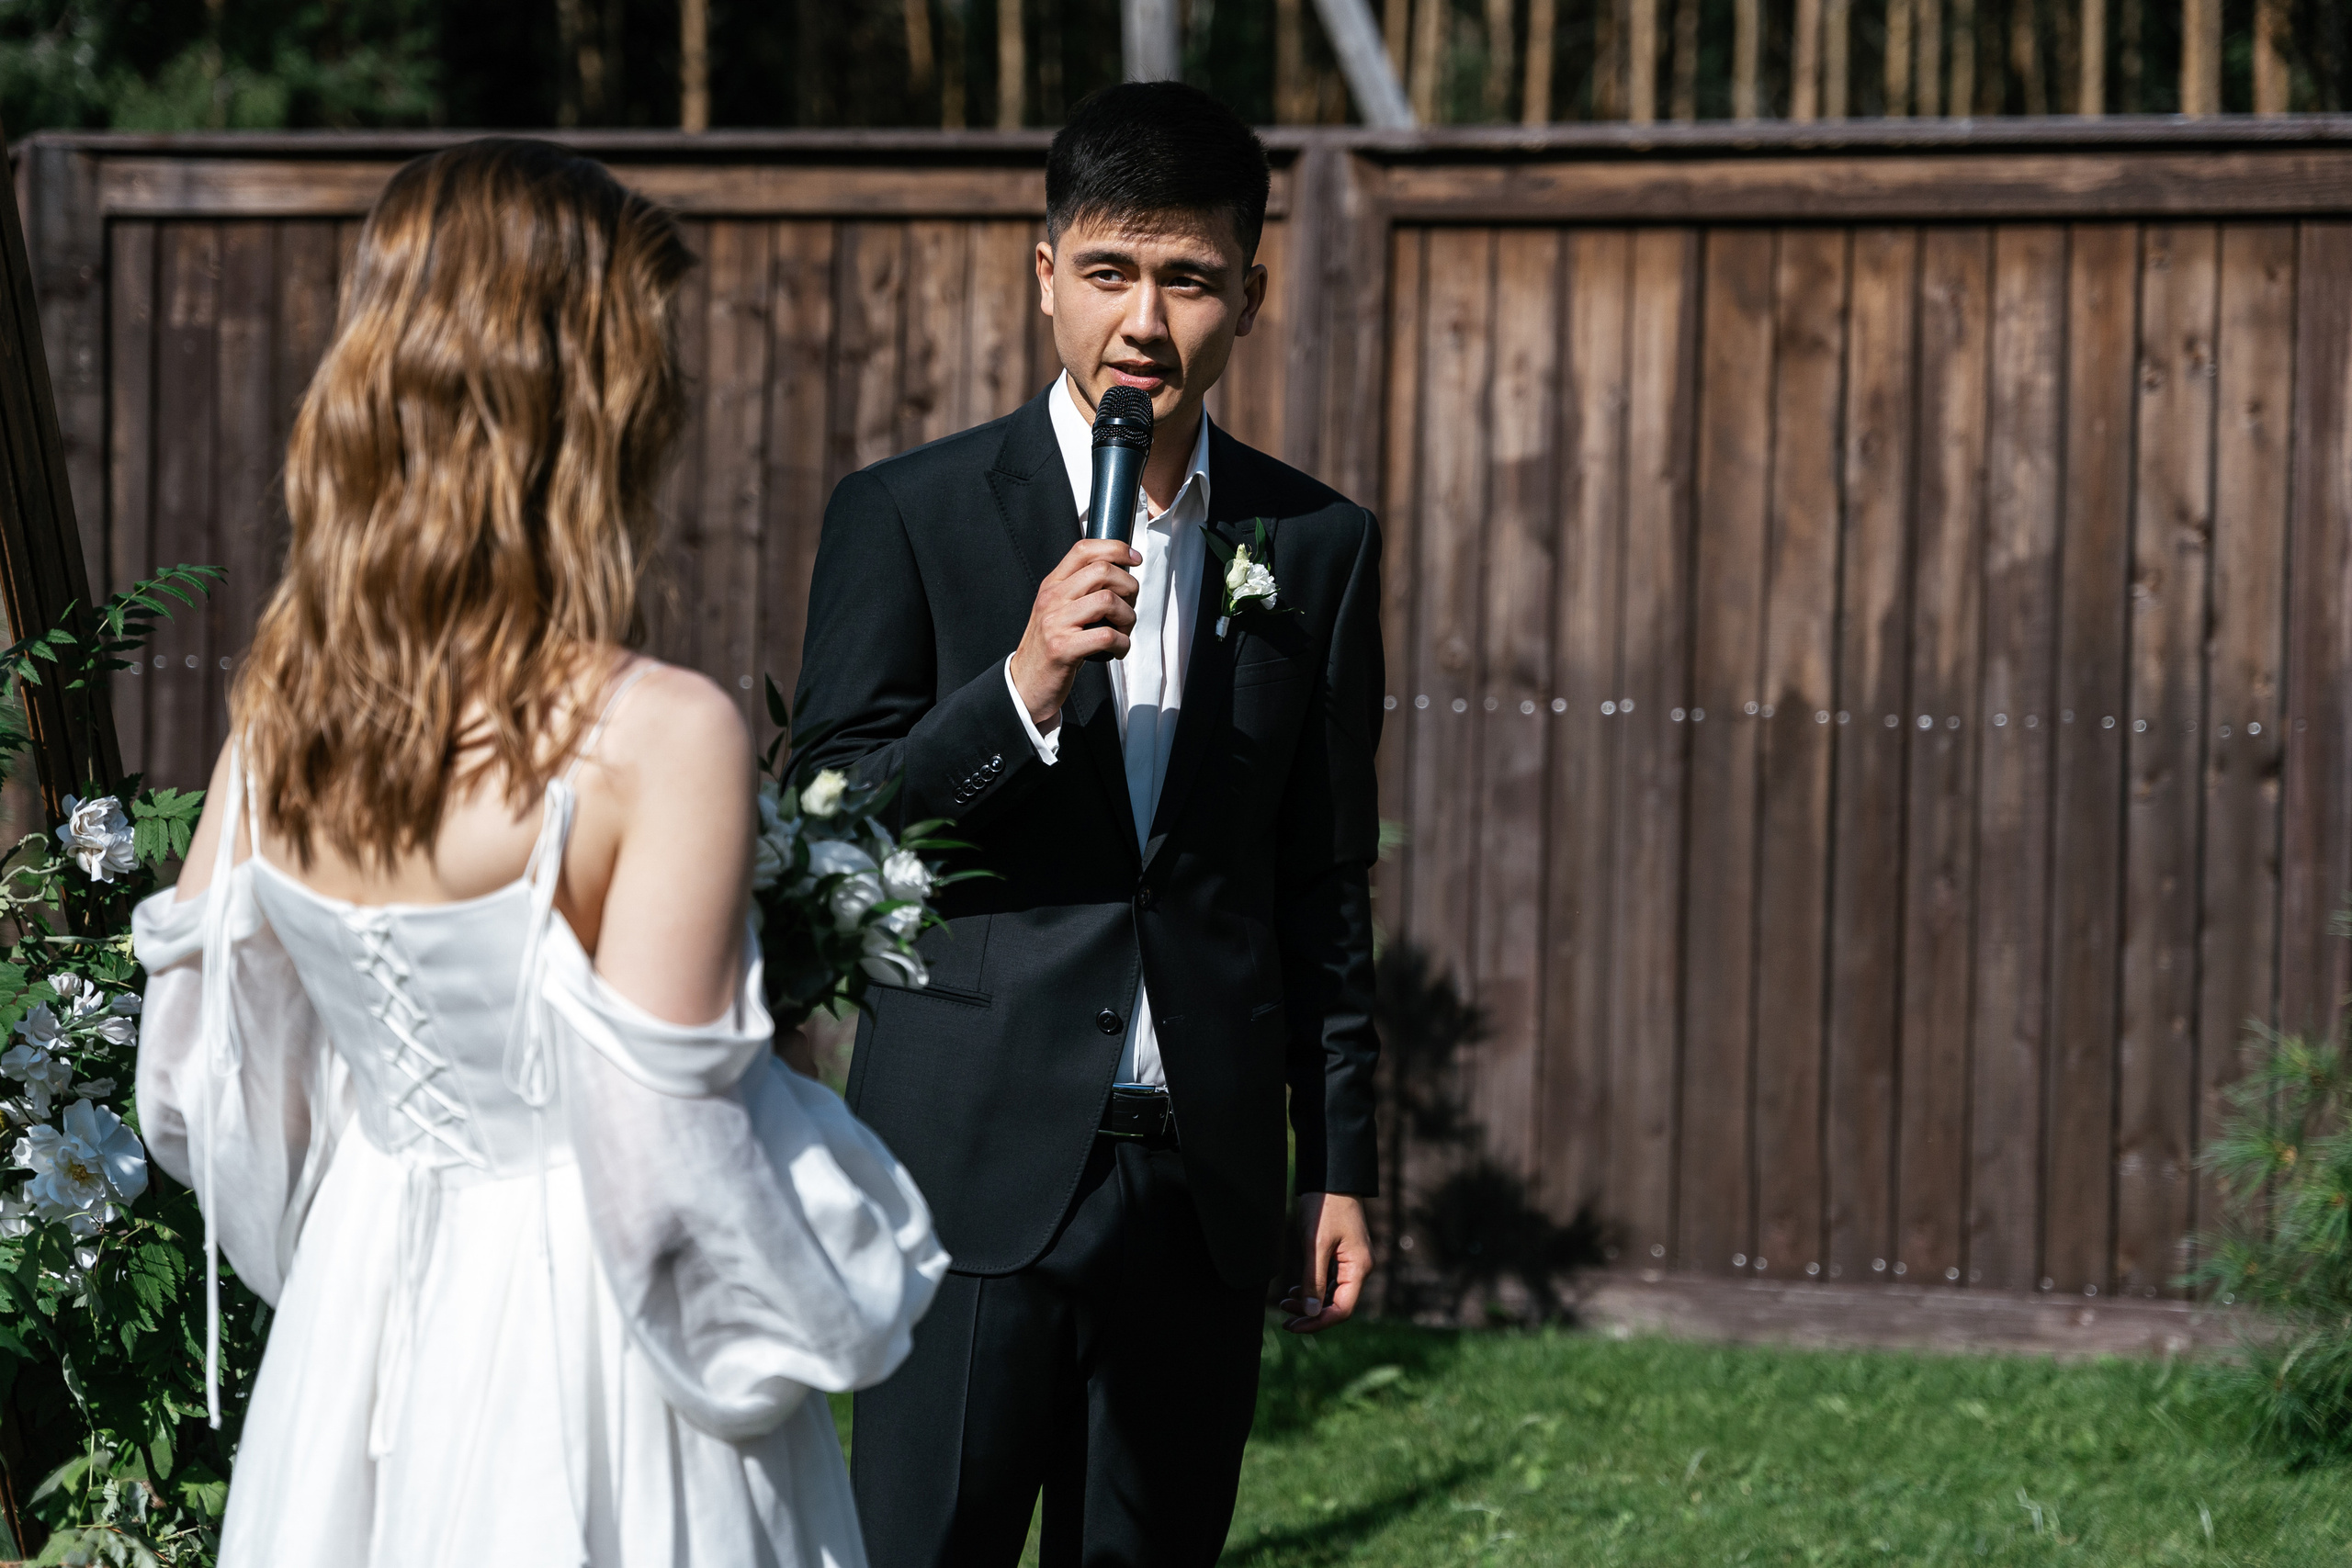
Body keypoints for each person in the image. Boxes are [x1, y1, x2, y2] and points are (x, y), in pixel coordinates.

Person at [131, 138, 947, 1567]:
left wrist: (356, 1215)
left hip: (365, 1326)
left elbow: (198, 1079)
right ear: (594, 404)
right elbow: (671, 1164)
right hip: (602, 1362)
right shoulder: (658, 734)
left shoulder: (280, 715)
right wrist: (836, 1248)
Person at [795, 83, 1385, 1567]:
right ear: (1044, 271)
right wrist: (1024, 681)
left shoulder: (1312, 545)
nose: (1146, 318)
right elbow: (838, 831)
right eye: (1112, 271)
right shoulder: (909, 514)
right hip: (971, 1166)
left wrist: (1345, 1159)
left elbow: (1320, 880)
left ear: (1247, 293)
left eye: (1187, 278)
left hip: (1203, 1185)